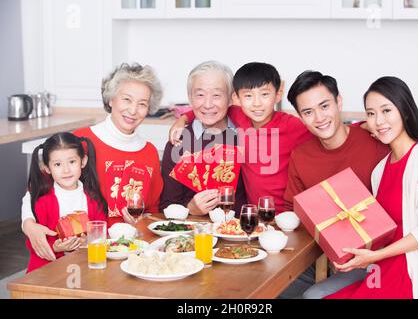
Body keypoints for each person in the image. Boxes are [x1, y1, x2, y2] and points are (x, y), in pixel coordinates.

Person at [282, 71, 418, 299]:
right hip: (373, 261)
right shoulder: (382, 165)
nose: (319, 118)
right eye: (371, 113)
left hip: (404, 266)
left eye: (324, 106)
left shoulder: (412, 154)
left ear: (338, 102)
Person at [21, 63, 164, 262]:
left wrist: (142, 220)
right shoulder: (81, 142)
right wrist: (28, 224)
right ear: (111, 99)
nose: (133, 110)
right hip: (81, 250)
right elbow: (36, 189)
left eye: (142, 103)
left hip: (131, 249)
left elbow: (153, 209)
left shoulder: (149, 152)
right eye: (126, 99)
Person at [169, 62, 312, 214]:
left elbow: (321, 142)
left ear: (278, 94)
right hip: (254, 214)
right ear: (236, 98)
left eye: (264, 94)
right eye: (248, 96)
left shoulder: (292, 126)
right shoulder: (239, 115)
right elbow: (210, 109)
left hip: (287, 214)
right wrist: (183, 119)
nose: (257, 103)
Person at [159, 61, 246, 215]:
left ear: (231, 98)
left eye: (217, 95)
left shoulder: (247, 135)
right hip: (194, 233)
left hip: (240, 233)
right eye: (200, 95)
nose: (207, 104)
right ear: (190, 98)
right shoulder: (178, 142)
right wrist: (190, 209)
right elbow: (166, 206)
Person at [26, 132, 107, 272]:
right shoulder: (42, 201)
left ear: (83, 161)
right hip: (46, 272)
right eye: (57, 164)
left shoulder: (94, 199)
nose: (66, 170)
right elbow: (34, 242)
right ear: (47, 168)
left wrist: (87, 242)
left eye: (72, 162)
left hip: (84, 268)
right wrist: (56, 247)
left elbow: (100, 234)